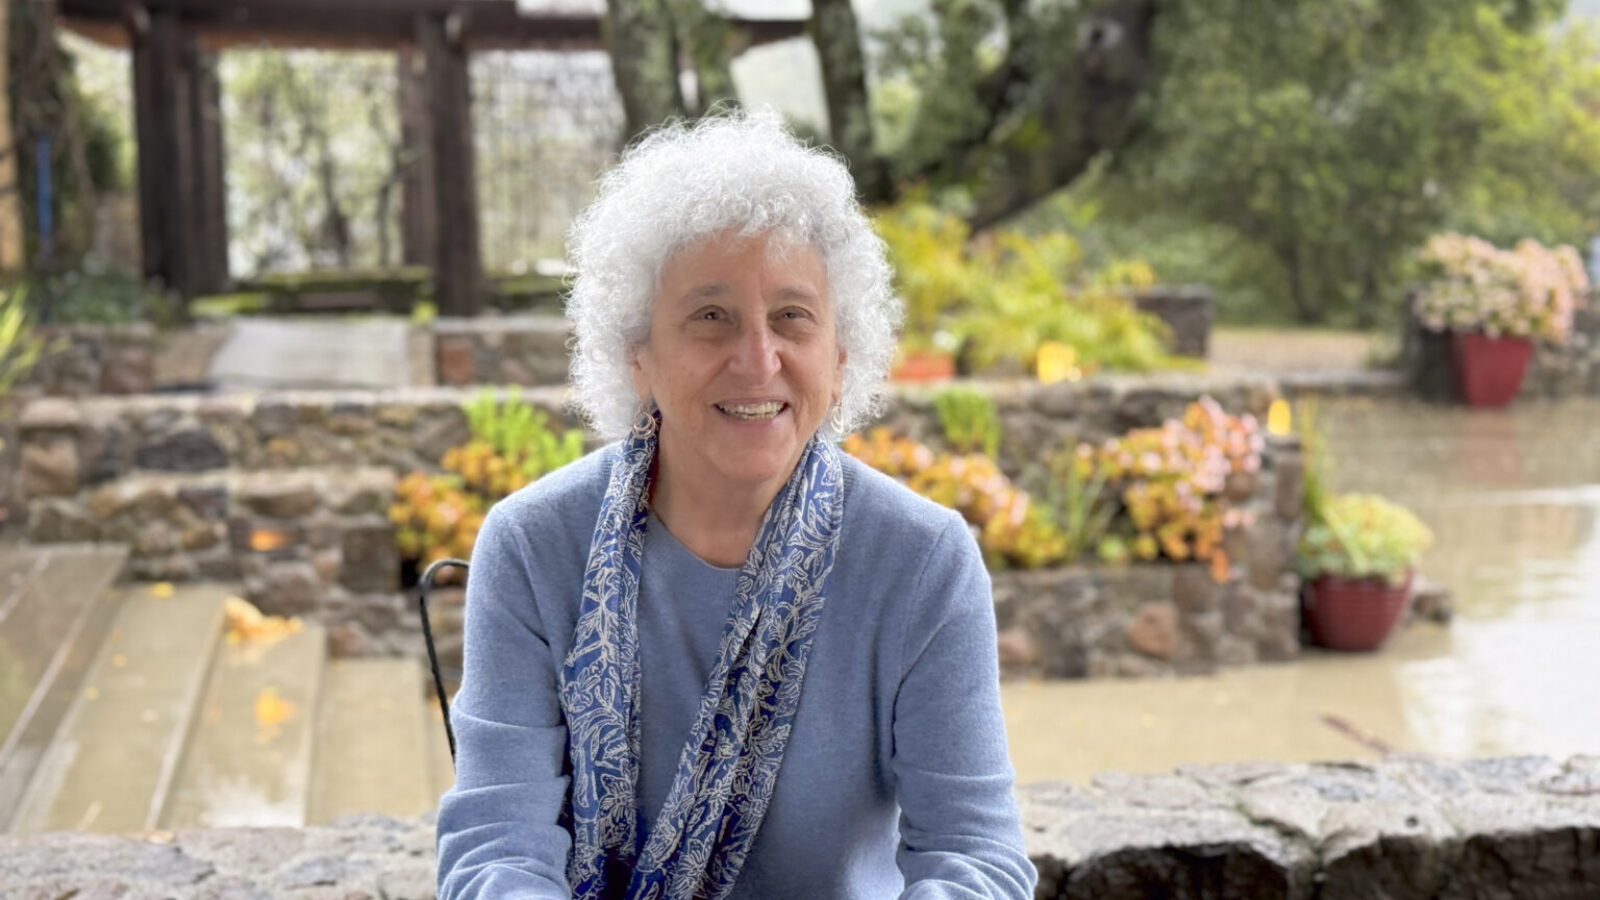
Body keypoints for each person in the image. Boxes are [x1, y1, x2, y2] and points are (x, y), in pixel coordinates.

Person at [434, 110, 1037, 900]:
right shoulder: (532, 546)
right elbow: (494, 854)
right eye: (710, 318)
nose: (759, 359)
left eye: (793, 317)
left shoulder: (922, 561)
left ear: (841, 354)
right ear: (637, 354)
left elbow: (977, 861)